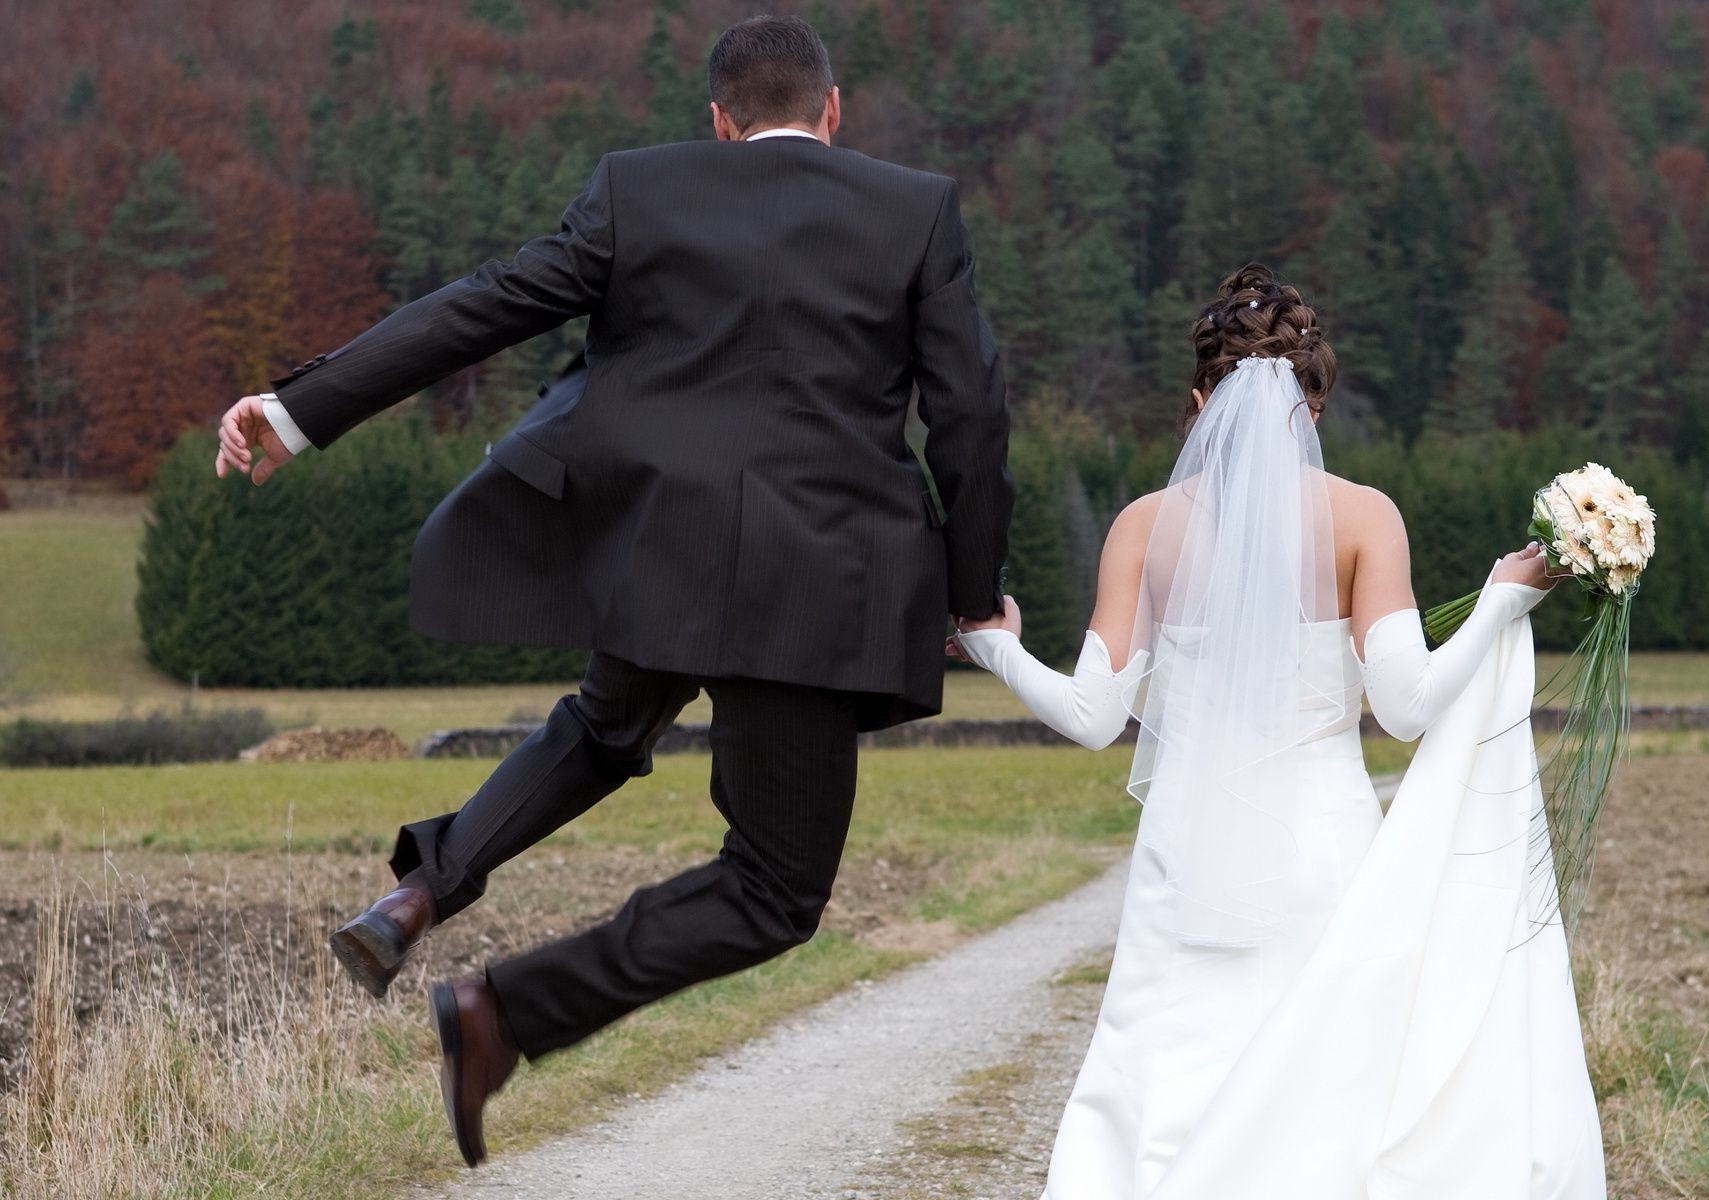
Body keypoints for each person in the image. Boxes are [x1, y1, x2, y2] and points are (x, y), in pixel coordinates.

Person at [212, 15, 1011, 1168]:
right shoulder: (914, 208)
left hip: (657, 558)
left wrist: (300, 411)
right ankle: (504, 1012)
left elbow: (482, 303)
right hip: (812, 588)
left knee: (601, 723)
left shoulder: (638, 190)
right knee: (776, 891)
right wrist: (976, 594)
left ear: (719, 120)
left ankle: (420, 894)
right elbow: (972, 417)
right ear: (833, 113)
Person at [952, 265, 1605, 1198]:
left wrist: (999, 650)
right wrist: (1502, 600)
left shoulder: (1143, 528)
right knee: (1325, 1080)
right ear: (1314, 406)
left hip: (1186, 850)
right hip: (1322, 848)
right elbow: (1409, 707)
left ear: (1197, 404)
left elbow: (1094, 719)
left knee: (1166, 1067)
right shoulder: (1363, 518)